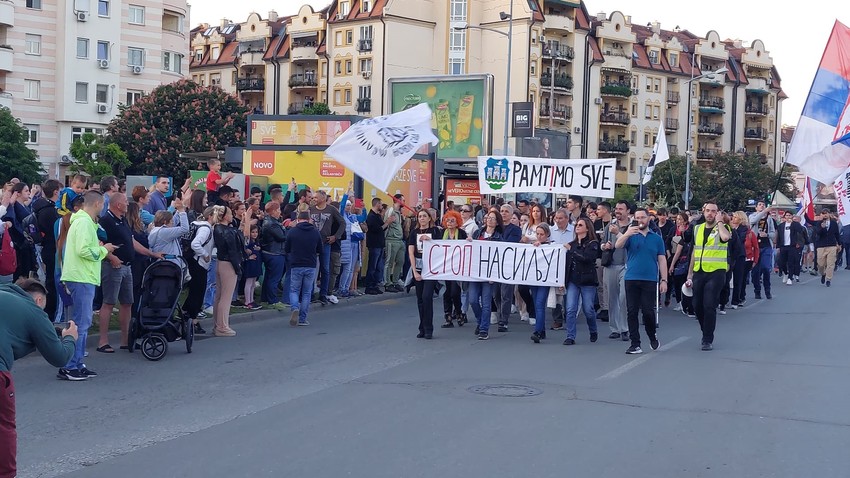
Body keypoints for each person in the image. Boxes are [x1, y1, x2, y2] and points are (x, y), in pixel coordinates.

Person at [0, 279, 78, 476]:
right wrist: (69, 338)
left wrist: (50, 330)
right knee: (4, 427)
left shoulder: (5, 295)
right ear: (38, 300)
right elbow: (59, 357)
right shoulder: (34, 311)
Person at [58, 191, 117, 380]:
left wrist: (97, 247)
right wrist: (103, 249)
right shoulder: (84, 222)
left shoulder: (83, 222)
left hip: (83, 276)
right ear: (98, 203)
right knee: (81, 324)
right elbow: (84, 251)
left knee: (82, 323)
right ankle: (70, 365)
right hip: (82, 277)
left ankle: (77, 363)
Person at [96, 193, 162, 353]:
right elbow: (98, 242)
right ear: (118, 204)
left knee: (127, 303)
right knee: (109, 302)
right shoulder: (106, 221)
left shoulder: (122, 220)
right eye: (125, 202)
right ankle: (102, 341)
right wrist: (111, 257)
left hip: (127, 266)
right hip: (113, 266)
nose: (128, 204)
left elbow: (131, 241)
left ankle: (126, 340)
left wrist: (151, 253)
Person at [616, 207, 667, 354]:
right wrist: (626, 234)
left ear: (648, 219)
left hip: (649, 279)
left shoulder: (656, 238)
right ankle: (635, 343)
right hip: (631, 277)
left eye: (642, 218)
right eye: (637, 218)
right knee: (631, 311)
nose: (639, 221)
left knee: (648, 312)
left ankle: (652, 335)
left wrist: (664, 280)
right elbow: (618, 245)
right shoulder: (630, 236)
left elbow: (662, 259)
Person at [684, 201, 730, 351]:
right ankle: (706, 330)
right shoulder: (697, 229)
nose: (710, 214)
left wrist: (720, 222)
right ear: (703, 212)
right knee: (697, 305)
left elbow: (726, 237)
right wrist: (690, 274)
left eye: (713, 211)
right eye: (708, 211)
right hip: (699, 271)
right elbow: (694, 253)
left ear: (717, 213)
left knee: (709, 304)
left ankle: (707, 338)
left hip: (716, 272)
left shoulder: (723, 228)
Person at [562, 217, 600, 345]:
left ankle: (593, 330)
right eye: (576, 225)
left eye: (580, 225)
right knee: (570, 309)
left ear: (587, 228)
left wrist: (571, 251)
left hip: (587, 280)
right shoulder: (572, 244)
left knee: (588, 309)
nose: (577, 227)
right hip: (573, 280)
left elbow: (587, 258)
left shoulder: (593, 243)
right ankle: (570, 336)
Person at [468, 209, 503, 340]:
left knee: (486, 302)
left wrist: (494, 275)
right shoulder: (478, 233)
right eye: (488, 217)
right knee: (473, 300)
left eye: (493, 218)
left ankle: (484, 329)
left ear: (497, 222)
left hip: (489, 275)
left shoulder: (499, 237)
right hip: (475, 273)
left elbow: (500, 257)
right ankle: (480, 321)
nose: (489, 219)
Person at [211, 206, 245, 336]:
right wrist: (237, 267)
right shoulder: (227, 231)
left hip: (220, 261)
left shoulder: (217, 228)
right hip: (228, 263)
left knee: (219, 296)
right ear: (225, 216)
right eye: (230, 213)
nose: (232, 216)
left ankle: (217, 324)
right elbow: (233, 250)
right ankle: (222, 326)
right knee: (226, 297)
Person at [408, 209, 442, 339]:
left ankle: (429, 328)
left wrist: (430, 240)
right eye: (420, 216)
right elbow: (411, 252)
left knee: (427, 296)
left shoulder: (435, 231)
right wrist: (414, 271)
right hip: (418, 266)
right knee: (420, 299)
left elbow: (441, 247)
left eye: (424, 216)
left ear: (429, 218)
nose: (422, 218)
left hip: (431, 268)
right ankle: (422, 327)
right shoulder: (414, 232)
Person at [285, 211, 322, 327]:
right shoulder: (315, 232)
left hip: (296, 264)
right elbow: (320, 249)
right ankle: (302, 319)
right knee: (306, 292)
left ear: (298, 219)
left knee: (294, 290)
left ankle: (295, 307)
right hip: (310, 264)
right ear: (309, 219)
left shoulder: (293, 231)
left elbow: (287, 248)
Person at [602, 201, 632, 341]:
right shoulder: (610, 226)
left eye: (621, 209)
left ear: (628, 211)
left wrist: (618, 233)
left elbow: (628, 243)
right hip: (611, 264)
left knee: (624, 296)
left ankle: (625, 328)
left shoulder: (633, 227)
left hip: (626, 265)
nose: (618, 211)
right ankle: (614, 328)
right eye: (617, 208)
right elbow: (603, 243)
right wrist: (605, 246)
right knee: (612, 298)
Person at [182, 206, 214, 333]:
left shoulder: (196, 224)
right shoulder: (206, 228)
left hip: (191, 261)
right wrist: (205, 254)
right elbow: (195, 244)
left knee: (194, 291)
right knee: (198, 293)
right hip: (198, 263)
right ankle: (193, 320)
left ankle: (186, 313)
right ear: (210, 216)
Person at [32, 179, 61, 319]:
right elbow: (55, 233)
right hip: (52, 249)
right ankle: (51, 311)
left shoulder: (41, 207)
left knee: (50, 280)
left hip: (47, 248)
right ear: (56, 191)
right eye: (59, 191)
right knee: (52, 282)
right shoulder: (50, 211)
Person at [309, 190, 345, 304]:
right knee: (312, 269)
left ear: (323, 198)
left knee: (325, 269)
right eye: (313, 197)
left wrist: (336, 236)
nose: (314, 199)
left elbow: (342, 223)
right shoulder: (311, 209)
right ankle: (309, 294)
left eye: (316, 197)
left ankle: (323, 294)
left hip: (326, 243)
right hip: (313, 243)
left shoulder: (331, 209)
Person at [1, 183, 36, 280]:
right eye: (26, 191)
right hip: (20, 243)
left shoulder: (20, 205)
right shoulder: (14, 206)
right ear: (18, 193)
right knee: (22, 273)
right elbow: (15, 224)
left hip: (25, 241)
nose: (28, 192)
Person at [438, 210, 468, 328]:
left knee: (455, 292)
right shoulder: (441, 233)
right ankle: (448, 316)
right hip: (444, 267)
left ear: (457, 222)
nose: (449, 223)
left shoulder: (461, 233)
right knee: (446, 292)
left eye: (452, 220)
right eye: (447, 220)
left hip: (457, 267)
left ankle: (459, 312)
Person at [260, 201, 287, 310]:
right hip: (275, 253)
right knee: (274, 278)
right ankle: (273, 300)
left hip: (271, 252)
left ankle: (265, 299)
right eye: (279, 210)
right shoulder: (272, 223)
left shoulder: (270, 221)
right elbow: (281, 237)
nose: (280, 212)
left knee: (268, 277)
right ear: (274, 211)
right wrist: (289, 229)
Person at [529, 223, 554, 344]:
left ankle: (537, 331)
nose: (539, 236)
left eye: (541, 234)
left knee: (539, 303)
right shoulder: (532, 245)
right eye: (537, 234)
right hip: (534, 279)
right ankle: (542, 329)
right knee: (536, 303)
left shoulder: (552, 246)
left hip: (544, 279)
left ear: (547, 234)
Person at [748, 201, 776, 299]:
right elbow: (753, 221)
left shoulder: (769, 219)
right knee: (755, 271)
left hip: (766, 246)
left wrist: (767, 235)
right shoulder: (752, 216)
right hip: (755, 246)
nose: (762, 206)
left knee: (765, 268)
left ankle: (767, 290)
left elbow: (773, 233)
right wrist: (764, 212)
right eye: (759, 205)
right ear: (756, 208)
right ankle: (757, 290)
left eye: (763, 205)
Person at [807, 208, 842, 287]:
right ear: (821, 215)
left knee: (830, 263)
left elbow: (837, 234)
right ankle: (823, 274)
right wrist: (821, 227)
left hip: (831, 245)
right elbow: (818, 232)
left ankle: (828, 279)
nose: (825, 215)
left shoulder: (834, 223)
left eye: (826, 213)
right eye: (823, 213)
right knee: (820, 264)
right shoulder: (819, 223)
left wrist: (839, 244)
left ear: (829, 214)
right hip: (821, 246)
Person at [731, 211, 759, 308]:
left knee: (740, 279)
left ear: (740, 219)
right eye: (733, 217)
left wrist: (755, 260)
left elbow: (755, 247)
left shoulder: (747, 231)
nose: (733, 219)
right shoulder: (730, 229)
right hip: (733, 256)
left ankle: (738, 298)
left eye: (735, 217)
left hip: (745, 258)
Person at [775, 211, 806, 285]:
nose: (788, 217)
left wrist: (793, 223)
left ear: (792, 216)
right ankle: (785, 273)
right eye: (787, 215)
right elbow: (779, 236)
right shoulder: (781, 226)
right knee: (781, 262)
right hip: (783, 246)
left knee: (791, 262)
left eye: (789, 215)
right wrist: (778, 246)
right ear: (784, 217)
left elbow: (800, 230)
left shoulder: (795, 225)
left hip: (792, 246)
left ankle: (790, 277)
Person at [384, 194, 406, 293]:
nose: (404, 202)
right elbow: (386, 223)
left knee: (400, 261)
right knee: (389, 262)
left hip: (399, 240)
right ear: (398, 200)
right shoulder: (391, 211)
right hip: (391, 240)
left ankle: (395, 281)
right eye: (403, 200)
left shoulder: (398, 212)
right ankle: (387, 283)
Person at [364, 198, 386, 295]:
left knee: (378, 266)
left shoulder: (377, 216)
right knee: (372, 266)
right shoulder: (371, 216)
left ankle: (375, 285)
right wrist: (388, 223)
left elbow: (383, 227)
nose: (382, 206)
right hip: (374, 245)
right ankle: (369, 286)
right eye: (381, 204)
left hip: (380, 244)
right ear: (377, 204)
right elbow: (378, 229)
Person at [242, 225, 262, 310]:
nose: (255, 234)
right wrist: (248, 257)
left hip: (256, 263)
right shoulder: (248, 242)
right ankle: (247, 301)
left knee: (253, 283)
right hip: (250, 264)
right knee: (249, 282)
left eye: (256, 232)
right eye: (253, 232)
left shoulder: (256, 242)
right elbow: (244, 250)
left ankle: (251, 300)